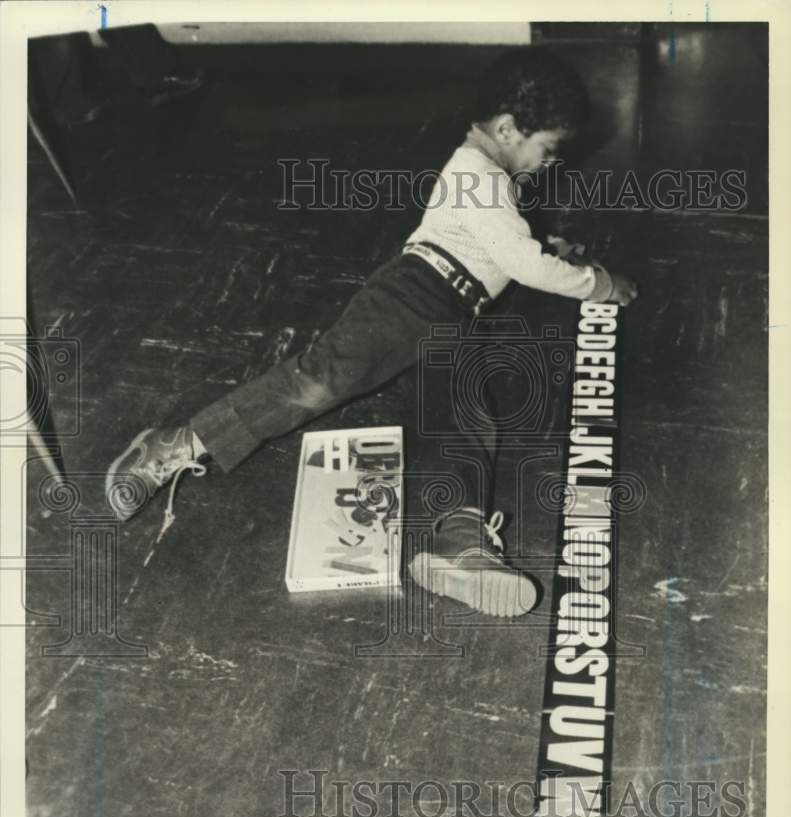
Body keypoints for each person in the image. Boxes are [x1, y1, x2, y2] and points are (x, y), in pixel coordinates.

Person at [105, 47, 638, 617]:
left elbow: (505, 246)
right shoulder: (477, 175)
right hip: (412, 293)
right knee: (319, 382)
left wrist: (543, 247)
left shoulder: (486, 178)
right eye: (546, 151)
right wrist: (597, 282)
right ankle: (177, 443)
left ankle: (460, 544)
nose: (546, 165)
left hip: (456, 312)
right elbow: (522, 262)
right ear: (508, 129)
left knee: (467, 416)